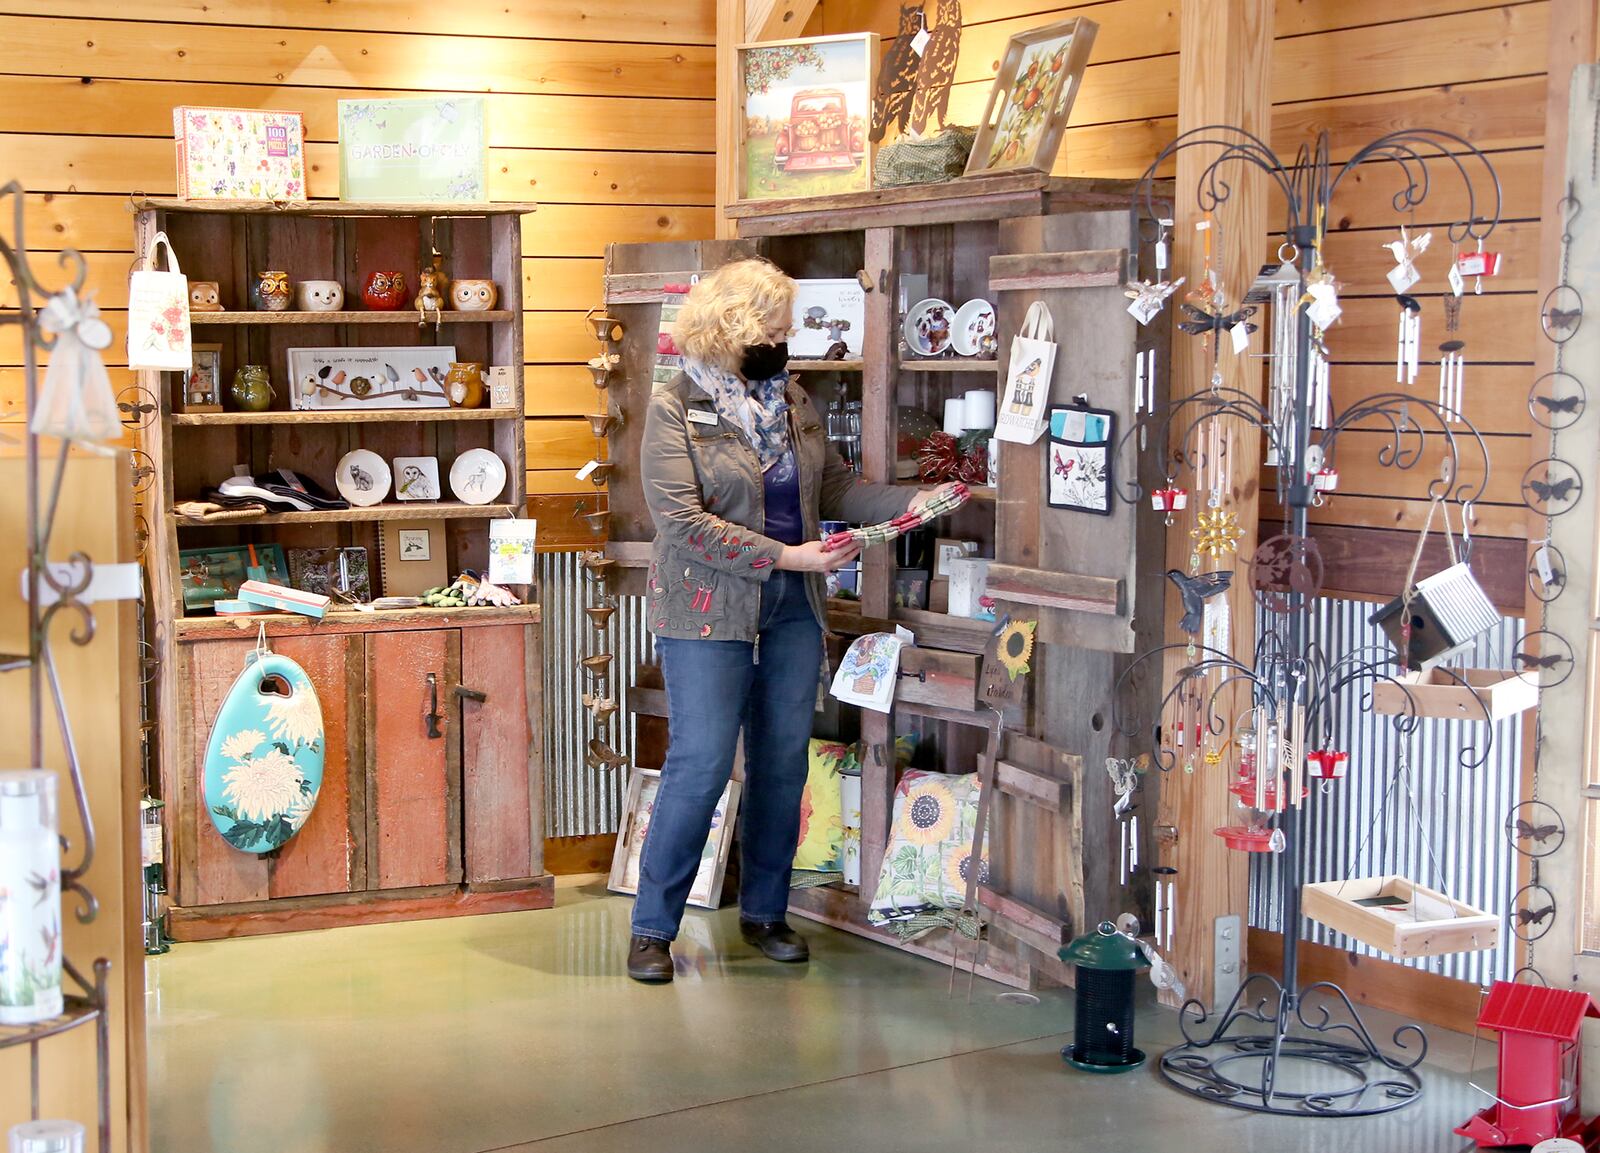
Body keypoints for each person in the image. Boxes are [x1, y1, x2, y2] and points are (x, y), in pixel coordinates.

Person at [629, 258, 954, 982]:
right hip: (707, 610)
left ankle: (766, 914)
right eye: (776, 327)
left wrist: (916, 500)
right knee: (702, 763)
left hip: (790, 612)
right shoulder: (674, 407)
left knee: (781, 763)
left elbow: (835, 486)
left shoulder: (794, 401)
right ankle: (653, 925)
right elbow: (682, 522)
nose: (787, 339)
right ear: (735, 327)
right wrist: (789, 556)